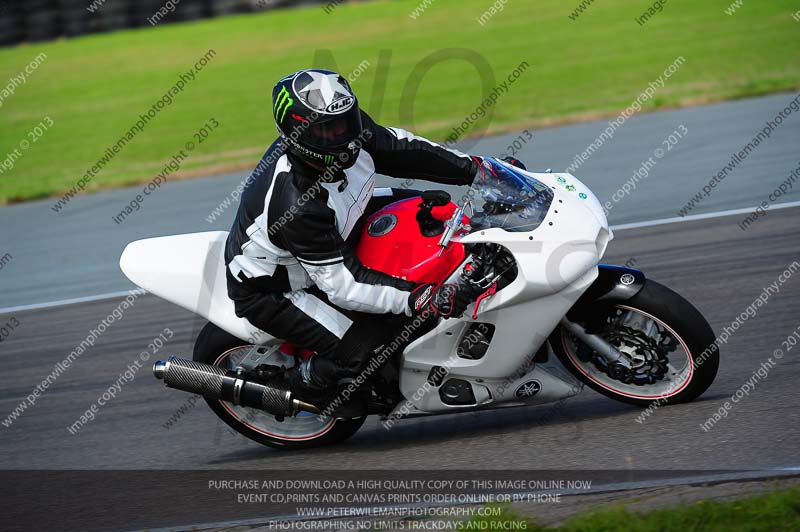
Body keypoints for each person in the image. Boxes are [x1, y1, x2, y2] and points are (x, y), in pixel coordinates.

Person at [224, 69, 481, 412]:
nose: (341, 135)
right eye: (326, 129)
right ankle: (309, 380)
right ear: (297, 134)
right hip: (277, 289)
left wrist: (478, 169)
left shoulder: (349, 129)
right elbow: (342, 285)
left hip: (343, 218)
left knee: (432, 212)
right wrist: (424, 299)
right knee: (375, 342)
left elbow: (405, 149)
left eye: (346, 122)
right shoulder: (296, 202)